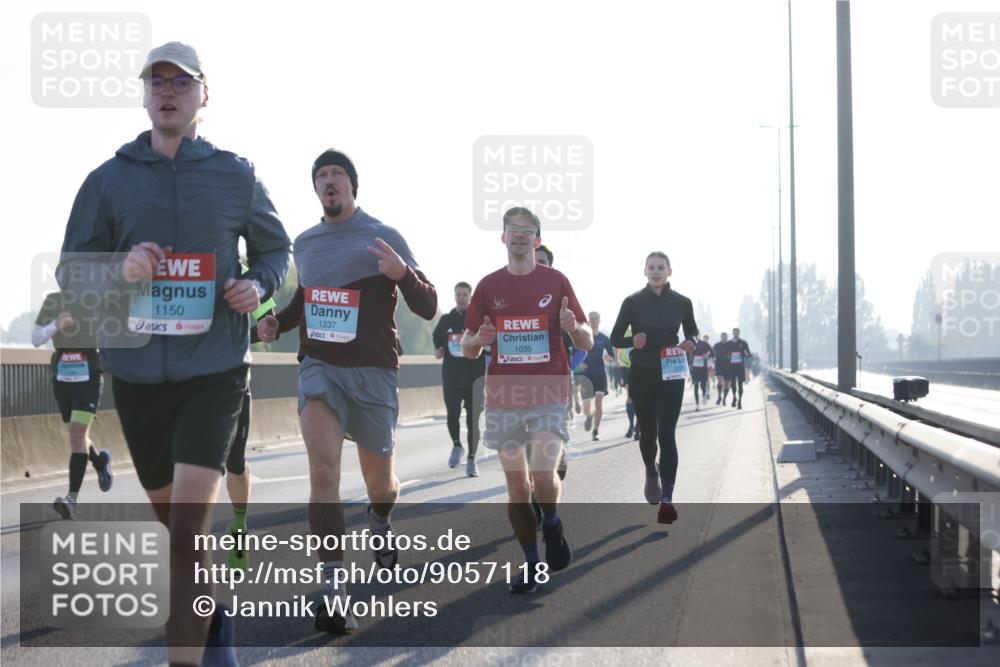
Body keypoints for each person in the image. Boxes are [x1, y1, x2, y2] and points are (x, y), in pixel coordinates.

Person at [58, 41, 291, 666]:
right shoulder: (107, 180)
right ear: (143, 94)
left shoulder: (236, 174)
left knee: (186, 530)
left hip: (214, 372)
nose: (167, 91)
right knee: (177, 530)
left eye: (180, 83)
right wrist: (121, 272)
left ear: (202, 95)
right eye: (156, 81)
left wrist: (258, 285)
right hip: (136, 376)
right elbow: (72, 275)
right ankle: (218, 621)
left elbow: (277, 253)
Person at [257, 149, 436, 633]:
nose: (329, 181)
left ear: (353, 185)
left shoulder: (383, 236)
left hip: (374, 371)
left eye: (337, 174)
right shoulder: (306, 243)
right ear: (316, 189)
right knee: (323, 472)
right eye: (321, 176)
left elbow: (428, 304)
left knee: (382, 484)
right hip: (320, 369)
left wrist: (402, 276)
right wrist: (278, 322)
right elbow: (304, 301)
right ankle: (334, 592)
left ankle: (379, 520)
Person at [462, 207, 592, 593]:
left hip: (549, 391)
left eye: (527, 229)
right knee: (517, 487)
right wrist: (478, 341)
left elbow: (584, 336)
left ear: (537, 239)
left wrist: (574, 329)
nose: (518, 234)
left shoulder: (557, 280)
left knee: (542, 474)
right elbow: (467, 348)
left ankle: (550, 520)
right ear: (503, 238)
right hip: (504, 396)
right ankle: (532, 563)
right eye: (511, 229)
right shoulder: (487, 286)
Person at [611, 252, 698, 524]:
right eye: (652, 267)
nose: (656, 271)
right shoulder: (633, 302)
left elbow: (692, 332)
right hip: (642, 374)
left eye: (661, 267)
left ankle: (667, 500)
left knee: (667, 434)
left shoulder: (682, 302)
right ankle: (651, 470)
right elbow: (616, 336)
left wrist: (690, 343)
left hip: (671, 373)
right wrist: (631, 340)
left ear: (669, 271)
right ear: (645, 271)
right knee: (647, 434)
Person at [32, 291, 113, 519]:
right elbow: (36, 338)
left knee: (77, 436)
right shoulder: (52, 300)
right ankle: (100, 461)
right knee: (79, 436)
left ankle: (71, 499)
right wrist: (55, 325)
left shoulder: (97, 298)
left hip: (89, 376)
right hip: (62, 377)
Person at [223, 269, 277, 571]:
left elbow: (268, 321)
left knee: (235, 462)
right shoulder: (182, 270)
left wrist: (265, 325)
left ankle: (239, 526)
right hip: (190, 384)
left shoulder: (244, 279)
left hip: (234, 382)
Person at [432, 282, 486, 476]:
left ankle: (472, 459)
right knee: (452, 413)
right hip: (452, 379)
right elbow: (436, 338)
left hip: (475, 379)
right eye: (458, 294)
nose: (461, 298)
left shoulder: (478, 321)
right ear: (454, 296)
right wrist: (437, 349)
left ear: (470, 297)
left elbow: (489, 342)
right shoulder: (446, 320)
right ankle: (457, 445)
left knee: (473, 421)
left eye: (465, 294)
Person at [579, 311, 614, 440]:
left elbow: (612, 355)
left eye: (596, 319)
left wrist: (609, 358)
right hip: (586, 376)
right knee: (587, 409)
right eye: (591, 318)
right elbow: (574, 354)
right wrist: (580, 363)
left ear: (599, 321)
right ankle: (589, 416)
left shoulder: (604, 338)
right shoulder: (582, 336)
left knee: (599, 401)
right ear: (588, 320)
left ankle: (596, 431)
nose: (593, 321)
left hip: (600, 374)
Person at [728, 327, 752, 409]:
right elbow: (725, 353)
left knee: (740, 384)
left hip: (740, 366)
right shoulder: (729, 343)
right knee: (733, 383)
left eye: (737, 332)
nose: (736, 334)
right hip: (731, 366)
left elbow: (749, 353)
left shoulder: (743, 343)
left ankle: (740, 401)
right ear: (732, 333)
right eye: (734, 332)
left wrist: (746, 354)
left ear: (739, 333)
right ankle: (734, 397)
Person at [690, 334, 713, 411]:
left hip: (703, 369)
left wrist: (707, 354)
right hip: (695, 369)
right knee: (696, 386)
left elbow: (712, 352)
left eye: (697, 335)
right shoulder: (690, 344)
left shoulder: (704, 344)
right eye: (694, 335)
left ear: (699, 336)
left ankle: (705, 394)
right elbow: (687, 355)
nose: (695, 337)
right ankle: (697, 405)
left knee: (703, 386)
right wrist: (690, 365)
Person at [713, 332, 731, 406]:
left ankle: (724, 399)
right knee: (720, 380)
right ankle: (719, 397)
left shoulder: (730, 345)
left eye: (725, 337)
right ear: (721, 337)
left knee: (727, 384)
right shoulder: (717, 345)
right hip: (719, 365)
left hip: (728, 366)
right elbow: (711, 352)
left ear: (727, 337)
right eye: (723, 337)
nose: (724, 338)